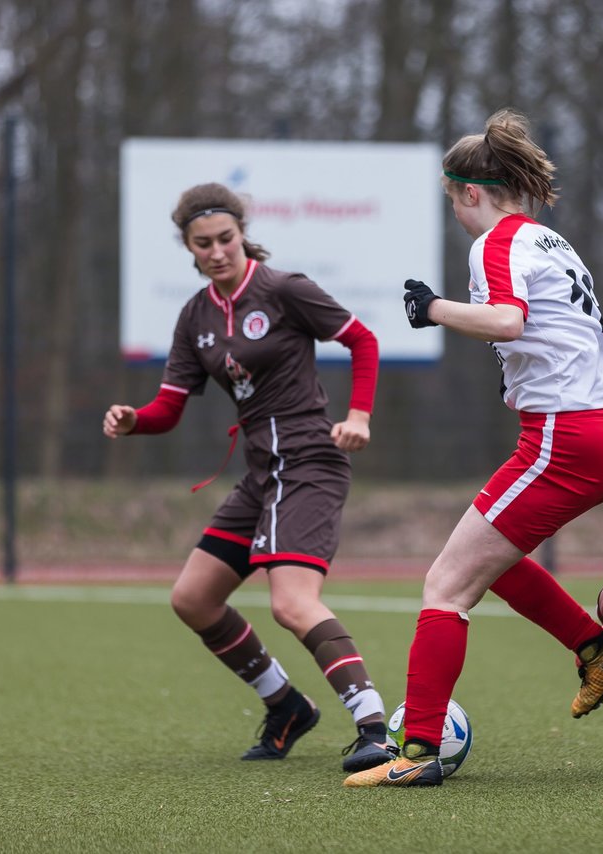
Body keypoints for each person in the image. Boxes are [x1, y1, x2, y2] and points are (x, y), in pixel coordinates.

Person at [343, 108, 603, 788]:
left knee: (445, 586)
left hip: (567, 433)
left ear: (469, 192)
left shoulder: (496, 243)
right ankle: (596, 648)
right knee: (490, 561)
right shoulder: (550, 241)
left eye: (452, 201)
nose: (455, 214)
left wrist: (435, 308)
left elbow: (508, 320)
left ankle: (416, 753)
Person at [102, 182, 395, 772]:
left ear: (242, 234)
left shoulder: (283, 289)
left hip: (310, 461)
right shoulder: (195, 316)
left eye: (226, 239)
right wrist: (134, 420)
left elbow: (362, 340)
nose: (217, 251)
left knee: (291, 603)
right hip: (262, 474)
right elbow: (169, 408)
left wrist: (358, 416)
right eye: (203, 243)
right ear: (190, 250)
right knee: (193, 599)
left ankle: (374, 727)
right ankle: (286, 706)